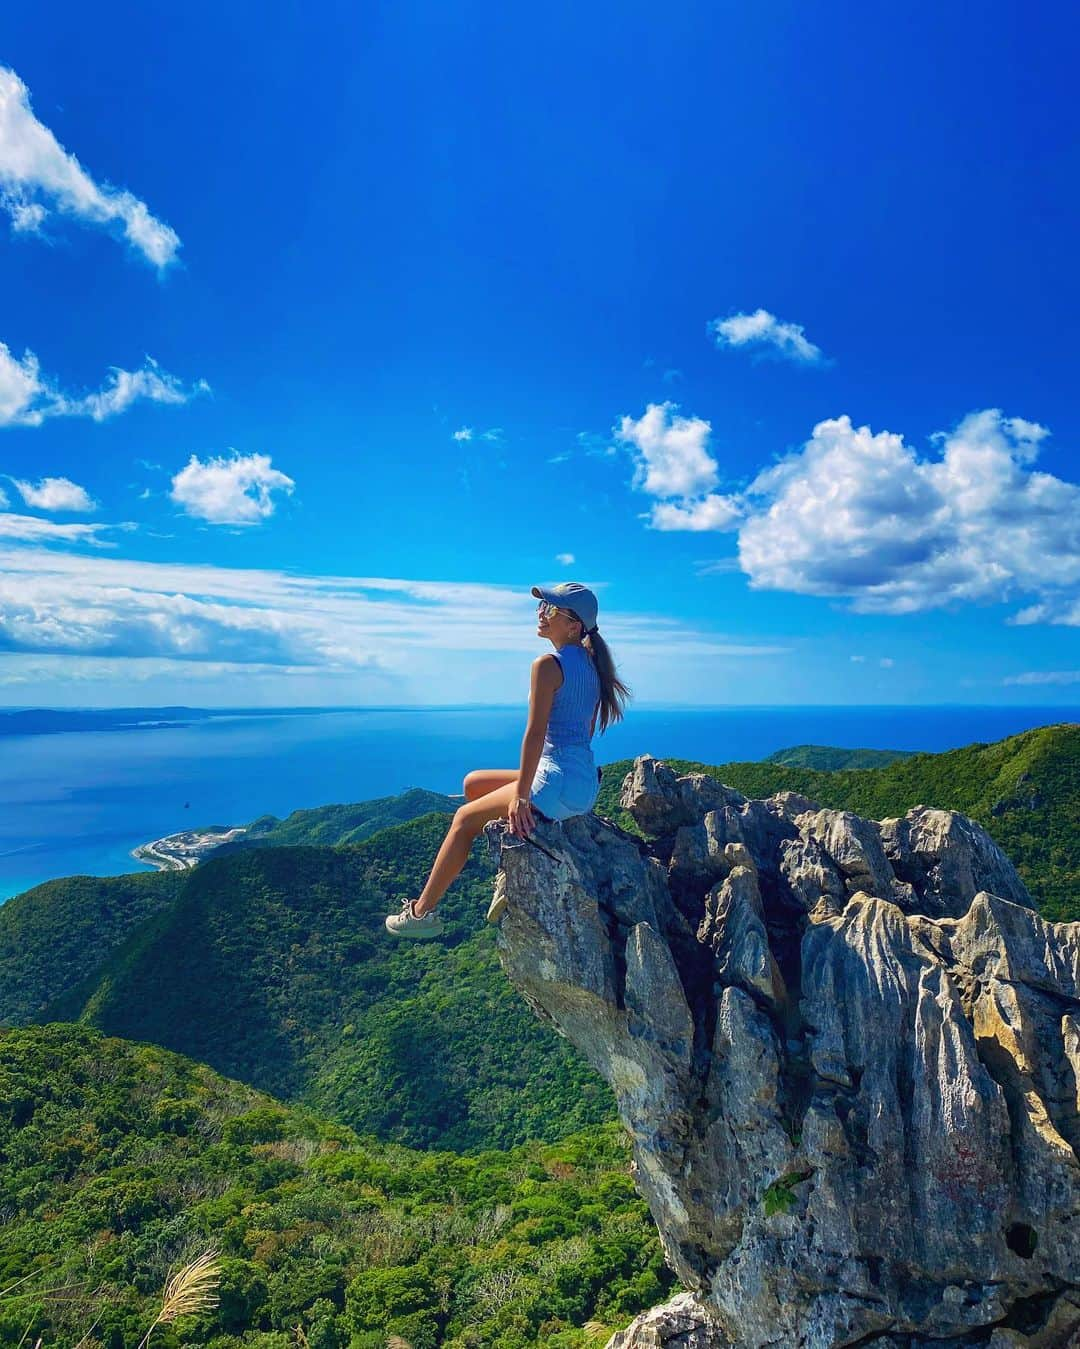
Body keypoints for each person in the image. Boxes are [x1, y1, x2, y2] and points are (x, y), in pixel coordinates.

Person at [385, 581, 631, 938]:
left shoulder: (548, 664)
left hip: (556, 780)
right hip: (582, 782)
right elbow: (582, 732)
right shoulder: (594, 667)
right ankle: (520, 829)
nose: (541, 613)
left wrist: (521, 795)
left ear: (574, 625)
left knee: (463, 819)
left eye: (550, 608)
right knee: (474, 784)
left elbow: (534, 735)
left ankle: (421, 915)